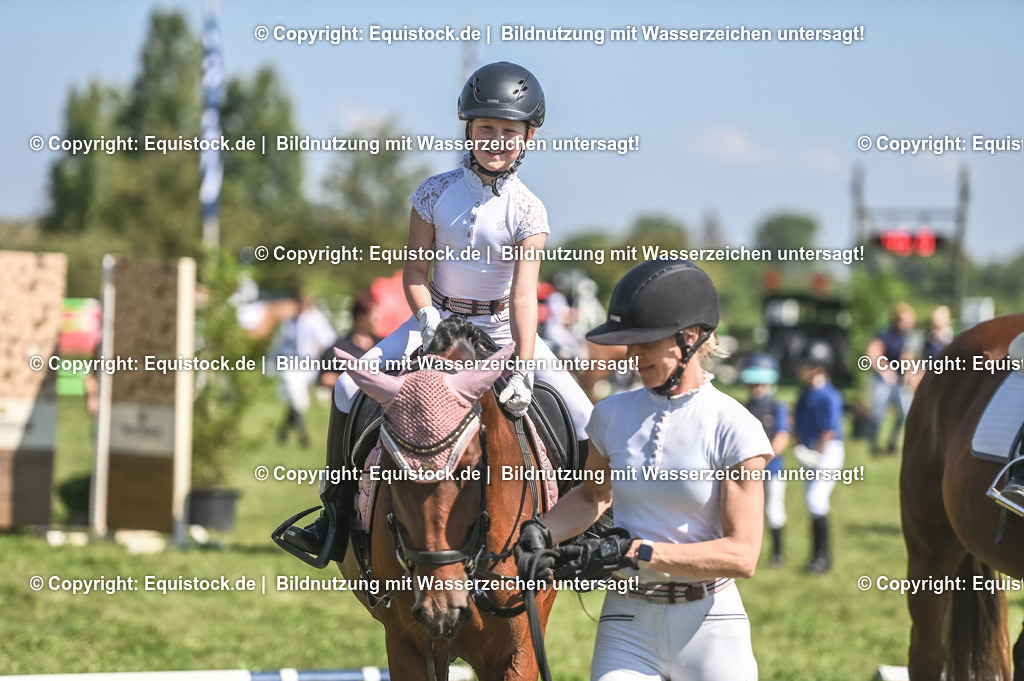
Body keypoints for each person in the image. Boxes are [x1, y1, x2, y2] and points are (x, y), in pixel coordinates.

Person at [279, 62, 594, 564]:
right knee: (344, 386)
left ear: (529, 135)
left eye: (508, 131)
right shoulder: (433, 193)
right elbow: (412, 273)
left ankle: (585, 531)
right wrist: (426, 317)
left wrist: (527, 365)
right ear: (468, 128)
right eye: (485, 128)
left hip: (500, 326)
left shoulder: (529, 210)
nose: (495, 140)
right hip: (437, 317)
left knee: (585, 417)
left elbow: (521, 296)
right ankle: (333, 515)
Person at [516, 259, 772, 680]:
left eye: (644, 343)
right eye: (628, 344)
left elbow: (742, 554)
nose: (631, 356)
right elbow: (592, 496)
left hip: (710, 626)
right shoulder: (609, 415)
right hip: (627, 623)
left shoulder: (735, 427)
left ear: (688, 338)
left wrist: (636, 551)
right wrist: (541, 531)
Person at [792, 339, 845, 574]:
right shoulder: (804, 395)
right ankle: (816, 556)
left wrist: (815, 454)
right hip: (811, 451)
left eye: (804, 365)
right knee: (810, 503)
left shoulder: (830, 395)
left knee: (816, 499)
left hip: (828, 450)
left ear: (818, 367)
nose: (798, 369)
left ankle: (823, 558)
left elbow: (829, 430)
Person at [740, 353, 791, 567]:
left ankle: (778, 554)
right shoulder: (743, 408)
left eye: (761, 384)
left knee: (773, 511)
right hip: (747, 472)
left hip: (772, 470)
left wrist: (763, 461)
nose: (757, 388)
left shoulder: (777, 408)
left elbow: (782, 436)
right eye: (753, 384)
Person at [271, 291, 337, 448]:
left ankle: (283, 432)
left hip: (308, 365)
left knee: (295, 398)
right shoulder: (289, 322)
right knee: (296, 395)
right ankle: (303, 436)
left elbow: (328, 340)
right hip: (290, 364)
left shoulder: (316, 320)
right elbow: (279, 343)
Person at [864, 303, 915, 455]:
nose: (906, 324)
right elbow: (872, 353)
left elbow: (906, 358)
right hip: (882, 382)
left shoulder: (905, 339)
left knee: (906, 413)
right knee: (878, 413)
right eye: (903, 320)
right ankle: (873, 445)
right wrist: (885, 370)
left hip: (899, 383)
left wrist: (909, 375)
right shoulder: (884, 335)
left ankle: (892, 443)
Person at [317, 293, 381, 390]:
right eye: (374, 314)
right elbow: (324, 378)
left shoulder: (383, 344)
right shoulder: (339, 348)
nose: (378, 318)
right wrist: (355, 382)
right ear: (361, 318)